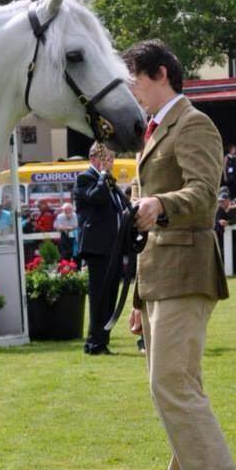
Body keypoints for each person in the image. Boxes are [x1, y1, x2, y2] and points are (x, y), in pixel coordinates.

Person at [124, 39, 236, 470]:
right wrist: (139, 298)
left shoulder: (195, 123)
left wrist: (159, 204)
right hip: (159, 277)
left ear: (161, 74)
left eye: (134, 78)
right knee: (177, 387)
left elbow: (204, 195)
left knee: (172, 385)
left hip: (186, 271)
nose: (131, 89)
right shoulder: (156, 129)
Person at [74, 144, 130, 355]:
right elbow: (96, 197)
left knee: (110, 296)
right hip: (98, 248)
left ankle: (102, 340)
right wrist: (104, 175)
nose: (111, 163)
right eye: (108, 159)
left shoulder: (108, 181)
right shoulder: (87, 178)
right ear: (95, 158)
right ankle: (94, 342)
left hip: (112, 248)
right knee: (99, 296)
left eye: (112, 159)